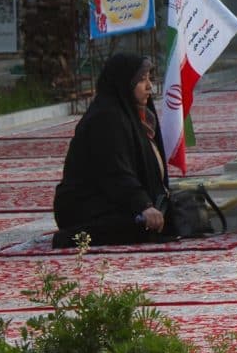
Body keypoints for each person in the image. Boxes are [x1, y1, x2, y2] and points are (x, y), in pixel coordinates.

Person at [52, 53, 169, 247]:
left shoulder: (131, 115)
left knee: (169, 217)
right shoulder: (106, 118)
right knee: (139, 227)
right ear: (124, 82)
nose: (150, 86)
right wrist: (144, 205)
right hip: (85, 205)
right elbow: (115, 172)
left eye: (149, 78)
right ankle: (69, 238)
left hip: (113, 198)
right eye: (142, 80)